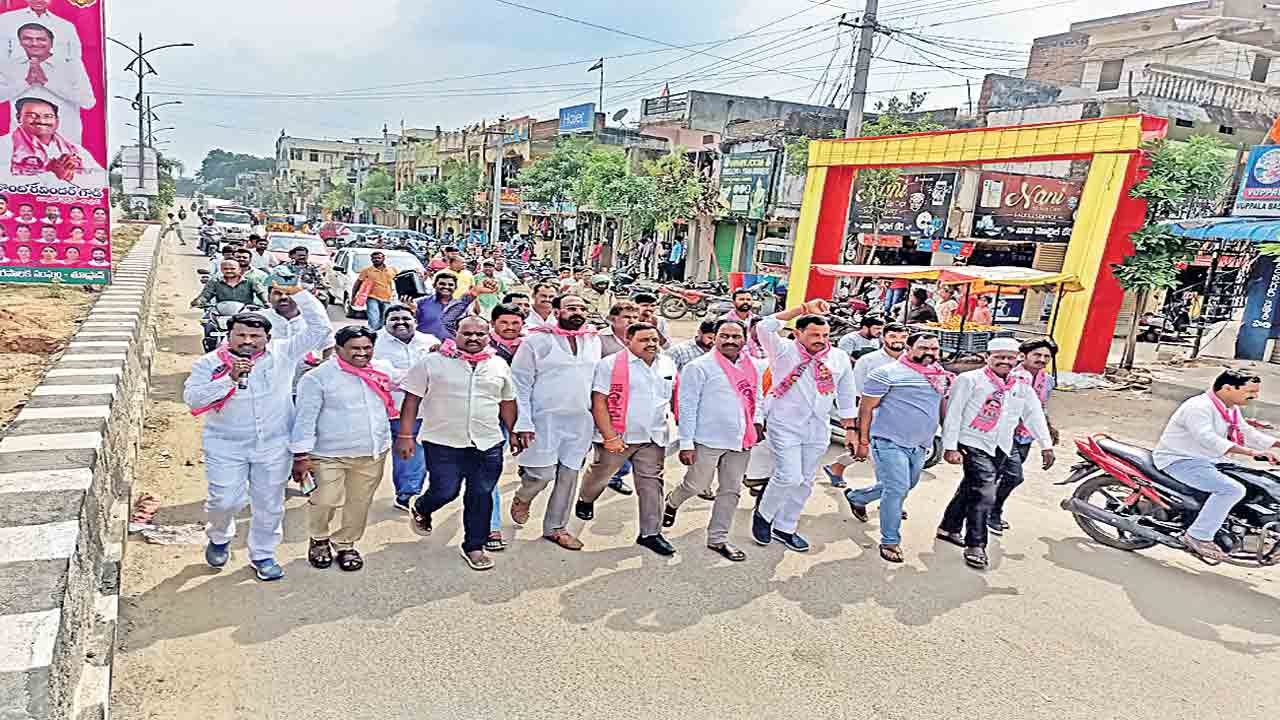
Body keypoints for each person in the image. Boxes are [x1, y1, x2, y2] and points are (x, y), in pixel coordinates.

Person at [183, 287, 330, 581]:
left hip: (274, 445)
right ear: (229, 336)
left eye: (255, 337)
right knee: (224, 501)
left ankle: (262, 554)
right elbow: (194, 399)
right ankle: (220, 535)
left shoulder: (285, 353)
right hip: (226, 445)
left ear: (268, 338)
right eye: (241, 335)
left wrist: (299, 295)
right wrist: (229, 379)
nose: (248, 342)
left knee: (269, 503)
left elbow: (320, 328)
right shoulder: (210, 363)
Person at [399, 316, 517, 571]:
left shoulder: (498, 365)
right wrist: (405, 435)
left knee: (481, 494)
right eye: (467, 334)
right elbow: (411, 400)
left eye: (480, 334)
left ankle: (474, 546)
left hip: (487, 442)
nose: (473, 338)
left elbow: (507, 401)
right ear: (456, 334)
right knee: (446, 490)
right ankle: (422, 506)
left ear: (489, 336)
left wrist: (514, 431)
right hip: (443, 441)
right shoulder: (432, 362)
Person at [937, 337, 1054, 569]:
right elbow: (954, 413)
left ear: (1017, 359)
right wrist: (949, 446)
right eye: (999, 357)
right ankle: (976, 544)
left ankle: (948, 527)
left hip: (1002, 443)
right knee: (984, 491)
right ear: (987, 357)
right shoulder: (969, 380)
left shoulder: (1021, 383)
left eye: (1010, 358)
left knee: (971, 487)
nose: (1005, 362)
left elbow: (1033, 413)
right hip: (972, 440)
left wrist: (1046, 444)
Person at [290, 326, 400, 572]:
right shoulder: (318, 377)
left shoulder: (381, 370)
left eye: (367, 348)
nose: (362, 354)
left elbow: (410, 379)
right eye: (355, 349)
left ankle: (346, 543)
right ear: (339, 349)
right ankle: (319, 539)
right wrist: (300, 455)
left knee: (359, 502)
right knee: (324, 499)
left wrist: (444, 354)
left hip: (371, 452)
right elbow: (305, 419)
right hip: (328, 454)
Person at [751, 300, 856, 552]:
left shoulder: (838, 357)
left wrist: (851, 428)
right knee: (789, 476)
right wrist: (802, 309)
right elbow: (764, 327)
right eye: (814, 334)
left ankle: (785, 527)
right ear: (798, 333)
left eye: (825, 335)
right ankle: (763, 515)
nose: (820, 339)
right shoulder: (784, 350)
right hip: (784, 423)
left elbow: (846, 392)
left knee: (806, 480)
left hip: (818, 427)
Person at [845, 332, 953, 564]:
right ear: (909, 347)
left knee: (906, 485)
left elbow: (941, 407)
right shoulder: (886, 374)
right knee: (896, 489)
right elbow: (866, 409)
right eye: (924, 348)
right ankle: (890, 540)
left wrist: (950, 440)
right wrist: (862, 441)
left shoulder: (940, 376)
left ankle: (857, 497)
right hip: (888, 441)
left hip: (921, 444)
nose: (930, 353)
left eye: (934, 349)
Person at [1152, 369, 1280, 562]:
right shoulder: (1198, 407)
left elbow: (1247, 433)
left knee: (1258, 482)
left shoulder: (1230, 408)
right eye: (1251, 392)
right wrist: (1252, 453)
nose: (1255, 396)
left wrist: (1276, 444)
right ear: (1228, 388)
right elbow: (1207, 439)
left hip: (1210, 459)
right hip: (1180, 459)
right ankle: (1198, 536)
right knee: (1232, 490)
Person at [573, 321, 677, 555]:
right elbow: (599, 401)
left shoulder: (667, 363)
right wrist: (609, 436)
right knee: (600, 474)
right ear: (628, 341)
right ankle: (585, 499)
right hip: (619, 436)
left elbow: (669, 398)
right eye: (644, 340)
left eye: (654, 339)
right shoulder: (610, 364)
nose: (651, 344)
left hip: (653, 436)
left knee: (652, 484)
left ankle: (651, 533)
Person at [665, 319, 764, 561]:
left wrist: (758, 420)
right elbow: (687, 407)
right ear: (715, 337)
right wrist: (686, 443)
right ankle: (672, 501)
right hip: (708, 439)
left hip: (741, 439)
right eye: (724, 336)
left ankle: (718, 539)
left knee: (731, 490)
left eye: (736, 336)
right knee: (696, 485)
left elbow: (757, 397)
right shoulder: (699, 367)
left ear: (744, 339)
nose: (730, 341)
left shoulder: (751, 366)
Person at [510, 293, 601, 551]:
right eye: (571, 307)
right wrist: (523, 421)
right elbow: (520, 382)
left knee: (569, 475)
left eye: (582, 307)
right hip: (543, 419)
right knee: (541, 474)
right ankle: (523, 496)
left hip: (580, 420)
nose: (578, 312)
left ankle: (556, 528)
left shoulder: (593, 341)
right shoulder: (537, 340)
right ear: (557, 311)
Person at [827, 321, 911, 489]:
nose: (898, 340)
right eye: (893, 336)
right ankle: (888, 496)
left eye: (903, 337)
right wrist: (857, 423)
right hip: (871, 414)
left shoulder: (911, 361)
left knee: (869, 451)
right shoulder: (868, 361)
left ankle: (836, 467)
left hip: (899, 415)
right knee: (881, 456)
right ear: (883, 337)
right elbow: (856, 391)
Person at [372, 304, 439, 512]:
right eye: (394, 319)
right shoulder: (373, 341)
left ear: (415, 322)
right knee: (403, 451)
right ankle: (407, 492)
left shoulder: (430, 342)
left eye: (405, 318)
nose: (400, 322)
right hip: (388, 408)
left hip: (425, 409)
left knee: (415, 451)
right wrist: (413, 377)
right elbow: (379, 373)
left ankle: (408, 493)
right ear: (385, 323)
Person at [991, 338, 1060, 535]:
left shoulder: (1047, 381)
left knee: (1005, 476)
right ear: (1024, 356)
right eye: (1037, 355)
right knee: (1012, 475)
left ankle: (990, 510)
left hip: (1025, 436)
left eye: (1047, 356)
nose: (1042, 359)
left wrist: (1048, 429)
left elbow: (1040, 407)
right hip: (1003, 434)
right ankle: (989, 512)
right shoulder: (1011, 375)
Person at [0, 21, 94, 145]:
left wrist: (47, 83)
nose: (34, 43)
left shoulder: (71, 66)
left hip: (66, 140)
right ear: (20, 42)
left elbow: (88, 102)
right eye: (27, 39)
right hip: (22, 144)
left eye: (41, 39)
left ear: (51, 42)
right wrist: (26, 83)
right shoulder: (10, 66)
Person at [0, 96, 104, 185]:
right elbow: (3, 180)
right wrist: (49, 172)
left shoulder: (75, 149)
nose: (41, 120)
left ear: (57, 121)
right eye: (32, 116)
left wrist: (71, 176)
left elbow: (101, 180)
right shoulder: (4, 144)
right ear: (18, 118)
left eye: (48, 116)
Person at [259, 284, 336, 389]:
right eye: (278, 293)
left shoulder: (313, 320)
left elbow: (328, 344)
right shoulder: (259, 319)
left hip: (305, 381)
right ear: (268, 298)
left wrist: (324, 366)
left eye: (289, 293)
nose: (283, 297)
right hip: (269, 383)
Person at [0, 0, 81, 67]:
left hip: (57, 81)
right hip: (15, 80)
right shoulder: (6, 19)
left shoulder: (66, 26)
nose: (39, 0)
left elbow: (75, 60)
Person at [414, 270, 477, 340]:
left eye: (450, 285)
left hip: (451, 347)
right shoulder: (419, 302)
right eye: (442, 284)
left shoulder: (461, 306)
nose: (446, 287)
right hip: (425, 346)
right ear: (434, 285)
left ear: (455, 288)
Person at [190, 259, 267, 308]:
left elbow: (260, 292)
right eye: (225, 269)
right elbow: (206, 295)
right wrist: (198, 302)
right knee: (208, 323)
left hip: (245, 311)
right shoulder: (215, 281)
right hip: (221, 310)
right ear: (221, 270)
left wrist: (266, 302)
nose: (229, 271)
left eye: (232, 269)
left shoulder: (250, 281)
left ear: (239, 269)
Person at [354, 250, 397, 331]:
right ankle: (372, 336)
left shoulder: (392, 270)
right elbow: (357, 284)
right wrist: (354, 296)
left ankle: (380, 337)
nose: (376, 260)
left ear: (383, 258)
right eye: (374, 258)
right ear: (371, 259)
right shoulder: (367, 271)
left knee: (385, 321)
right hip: (372, 298)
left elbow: (399, 281)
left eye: (378, 258)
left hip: (388, 299)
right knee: (374, 320)